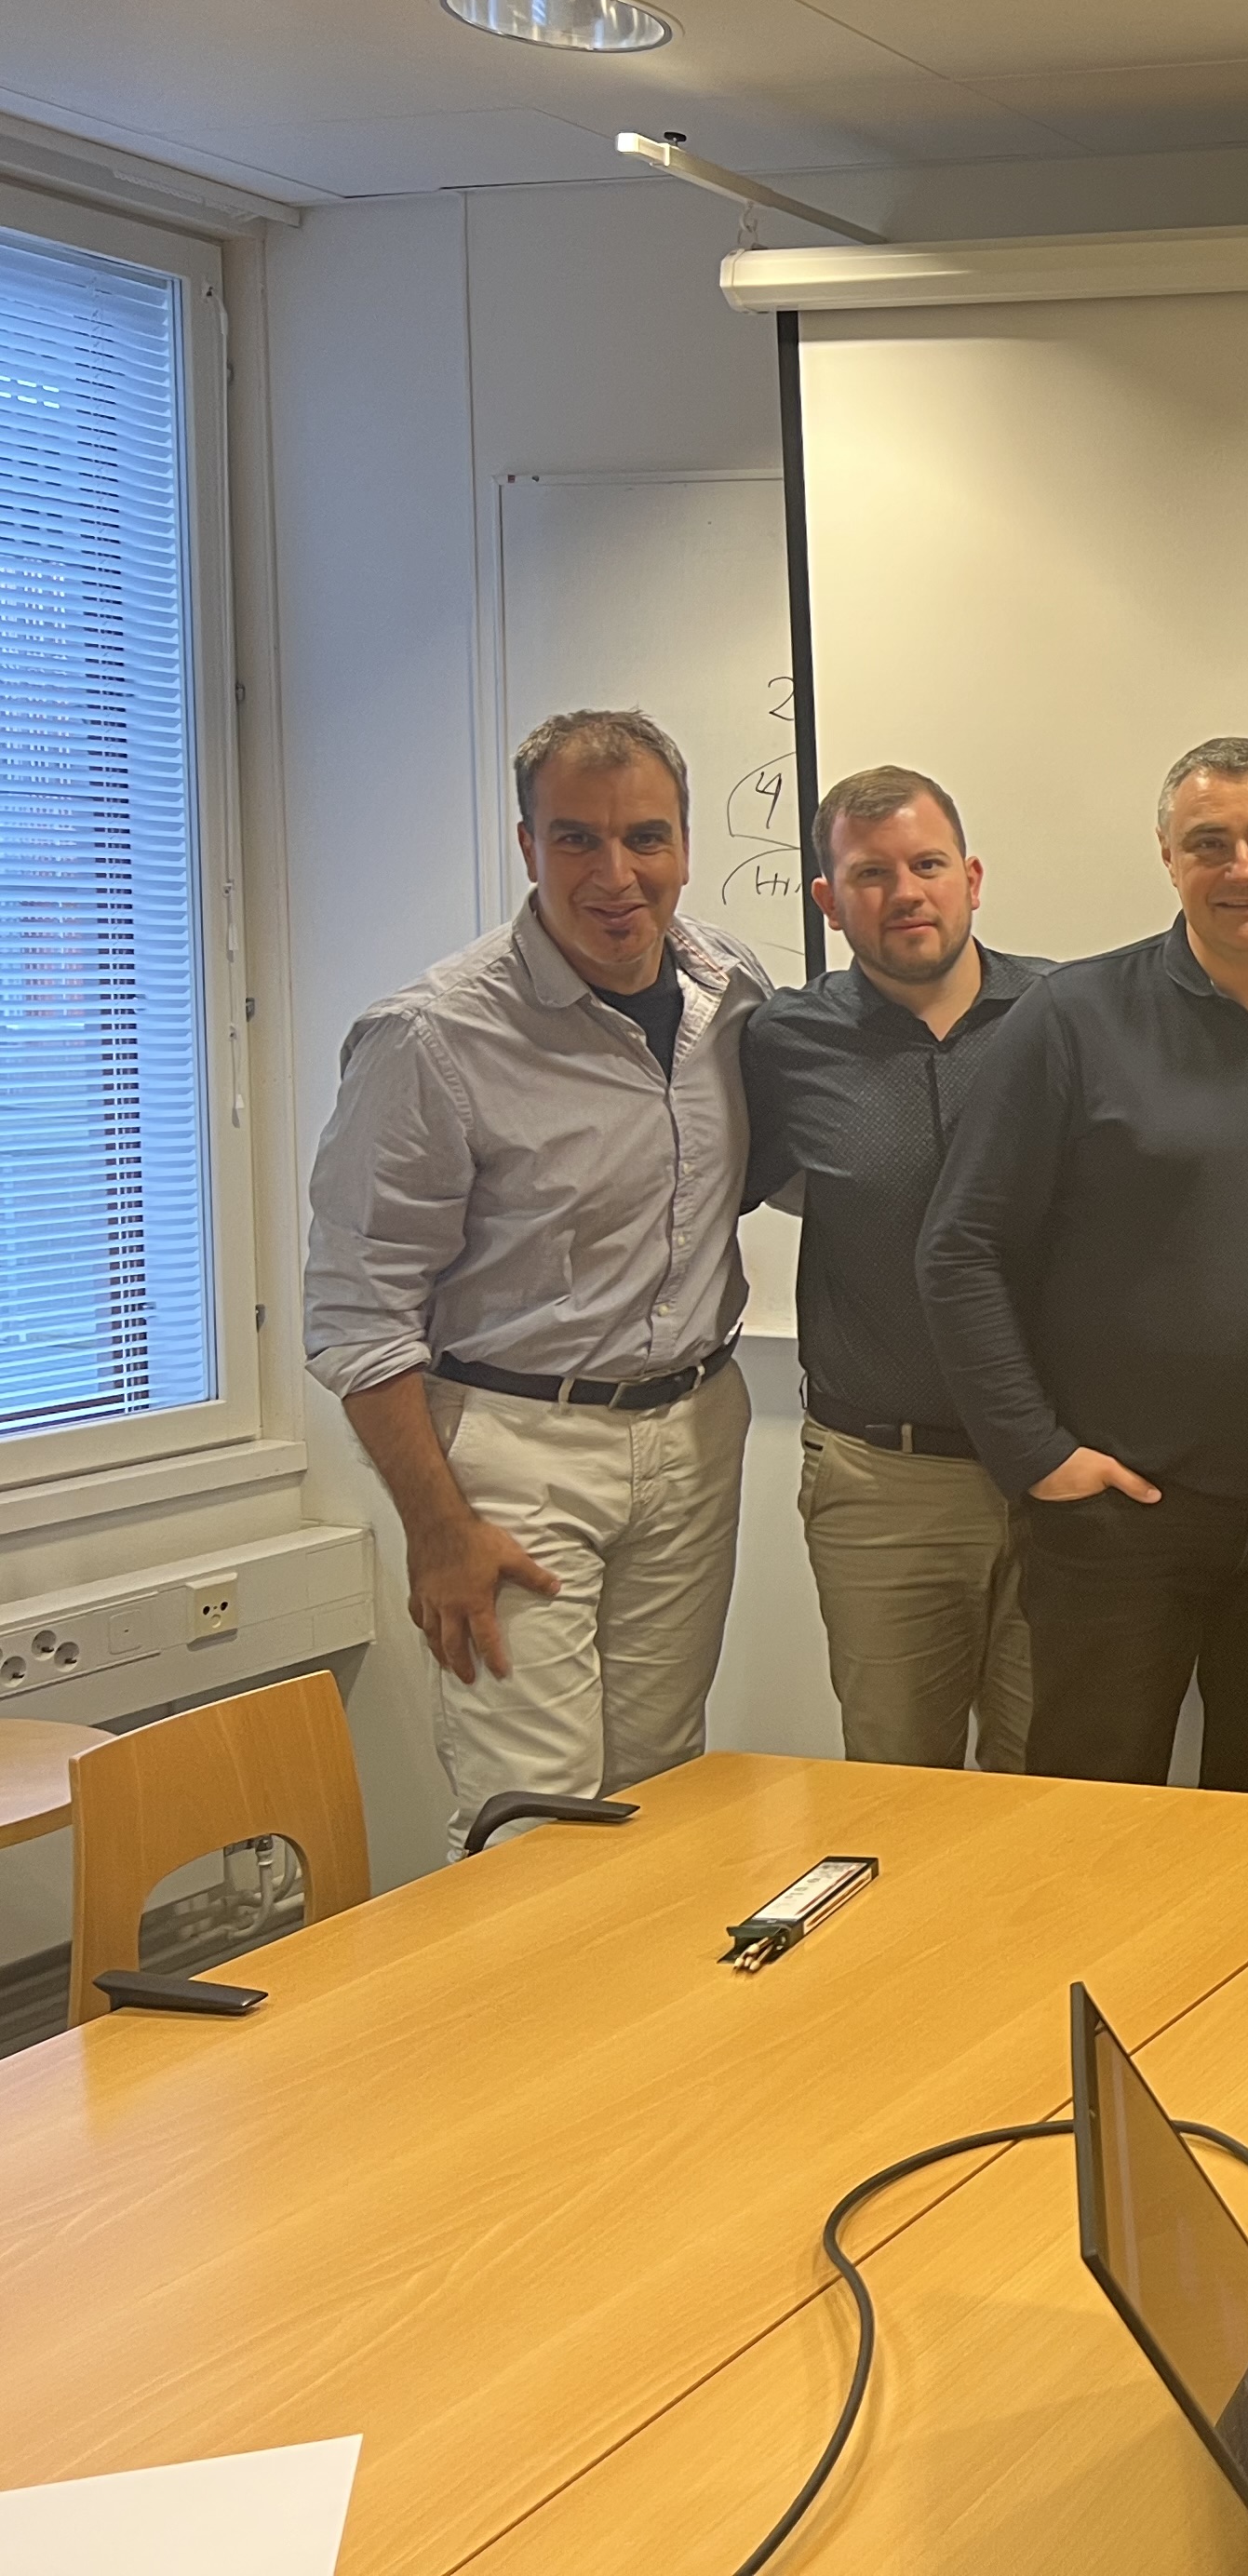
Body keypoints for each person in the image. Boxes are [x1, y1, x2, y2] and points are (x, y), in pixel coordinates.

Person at [919, 737, 1248, 1793]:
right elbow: (962, 1245)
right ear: (1168, 858)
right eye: (1210, 843)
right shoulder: (1072, 1018)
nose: (1243, 868)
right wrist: (1036, 1454)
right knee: (1090, 1804)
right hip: (1117, 1517)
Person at [304, 707, 770, 1851]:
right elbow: (358, 1315)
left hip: (694, 1431)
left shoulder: (731, 990)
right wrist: (437, 1528)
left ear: (686, 844)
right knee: (535, 1819)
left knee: (666, 1793)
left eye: (645, 838)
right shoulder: (431, 1040)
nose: (616, 876)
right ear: (527, 846)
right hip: (514, 1455)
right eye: (576, 839)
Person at [744, 764, 1047, 1771]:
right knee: (896, 1789)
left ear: (972, 878)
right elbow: (716, 1188)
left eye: (927, 866)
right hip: (884, 1482)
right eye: (870, 875)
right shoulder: (784, 1041)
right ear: (828, 902)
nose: (905, 893)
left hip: (1056, 1474)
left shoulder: (1067, 1015)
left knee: (1054, 1790)